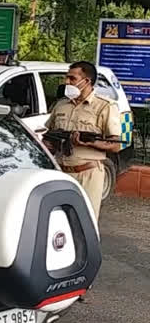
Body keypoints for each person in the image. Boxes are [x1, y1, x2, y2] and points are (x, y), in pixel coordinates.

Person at [44, 61, 122, 221]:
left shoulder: (104, 107)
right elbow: (49, 137)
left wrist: (88, 143)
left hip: (88, 173)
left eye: (72, 78)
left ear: (86, 81)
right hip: (62, 172)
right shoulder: (61, 105)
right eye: (66, 78)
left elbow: (116, 145)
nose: (67, 82)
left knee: (85, 221)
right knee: (59, 221)